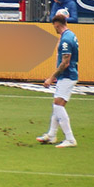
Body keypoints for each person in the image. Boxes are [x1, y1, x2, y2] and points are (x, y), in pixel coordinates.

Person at [37, 12, 79, 148]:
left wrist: (51, 78)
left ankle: (70, 138)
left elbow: (65, 62)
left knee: (58, 106)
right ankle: (52, 135)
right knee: (57, 106)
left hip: (67, 76)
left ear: (56, 24)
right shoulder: (70, 35)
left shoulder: (66, 39)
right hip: (68, 76)